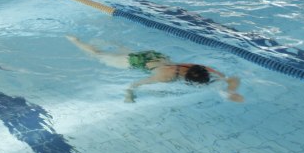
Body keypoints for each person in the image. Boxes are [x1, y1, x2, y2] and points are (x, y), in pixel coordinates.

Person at [67, 36, 244, 103]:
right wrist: (129, 96)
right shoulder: (165, 77)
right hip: (135, 62)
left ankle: (112, 42)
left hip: (153, 56)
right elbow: (135, 83)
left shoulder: (195, 67)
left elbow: (224, 76)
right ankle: (76, 41)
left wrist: (228, 87)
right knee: (98, 54)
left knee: (122, 50)